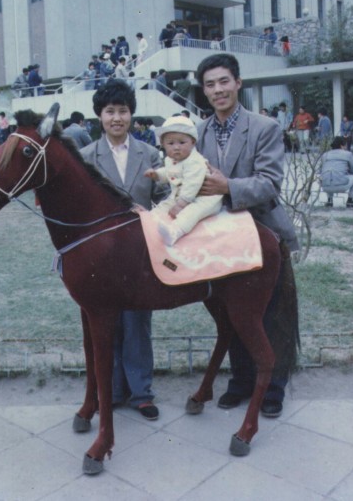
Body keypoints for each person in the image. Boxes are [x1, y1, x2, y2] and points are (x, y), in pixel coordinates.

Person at [195, 53, 299, 418]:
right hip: (221, 238)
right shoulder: (198, 132)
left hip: (263, 233)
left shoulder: (264, 127)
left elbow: (269, 184)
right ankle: (241, 381)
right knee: (232, 311)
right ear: (204, 90)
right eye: (210, 84)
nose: (218, 90)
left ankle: (273, 388)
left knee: (271, 313)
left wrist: (227, 186)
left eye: (224, 81)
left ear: (238, 83)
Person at [81, 79, 168, 420]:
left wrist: (153, 214)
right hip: (100, 257)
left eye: (123, 111)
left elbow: (166, 197)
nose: (117, 118)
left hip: (140, 254)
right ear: (99, 116)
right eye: (109, 111)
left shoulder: (150, 154)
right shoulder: (86, 157)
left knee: (137, 322)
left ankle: (142, 393)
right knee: (106, 323)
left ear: (132, 114)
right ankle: (113, 390)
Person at [145, 116, 222, 246]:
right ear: (163, 144)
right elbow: (169, 172)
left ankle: (175, 232)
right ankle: (150, 221)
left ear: (193, 142)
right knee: (163, 206)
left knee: (191, 213)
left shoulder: (195, 161)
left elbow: (192, 184)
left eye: (182, 143)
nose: (176, 147)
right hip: (180, 196)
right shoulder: (170, 160)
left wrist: (181, 205)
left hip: (204, 198)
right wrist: (157, 175)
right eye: (170, 143)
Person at [320, 136, 353, 208]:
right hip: (342, 186)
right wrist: (347, 170)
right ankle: (350, 200)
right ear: (341, 145)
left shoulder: (325, 155)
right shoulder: (348, 154)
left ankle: (329, 200)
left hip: (325, 187)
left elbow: (321, 170)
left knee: (328, 175)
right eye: (345, 145)